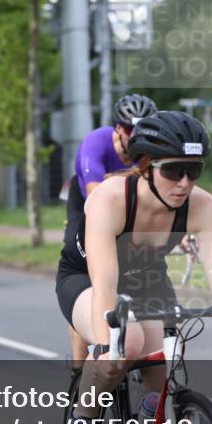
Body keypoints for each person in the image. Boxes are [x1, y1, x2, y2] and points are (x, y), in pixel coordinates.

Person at [55, 111, 212, 424]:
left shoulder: (202, 205)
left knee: (170, 374)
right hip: (86, 280)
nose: (185, 183)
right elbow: (105, 281)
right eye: (174, 170)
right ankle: (84, 422)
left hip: (147, 278)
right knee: (127, 343)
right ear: (145, 167)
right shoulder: (110, 199)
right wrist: (111, 347)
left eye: (195, 170)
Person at [64, 94, 157, 365]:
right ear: (118, 129)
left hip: (126, 205)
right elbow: (96, 198)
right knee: (88, 271)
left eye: (143, 129)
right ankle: (79, 366)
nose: (137, 135)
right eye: (131, 130)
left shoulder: (149, 152)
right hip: (86, 204)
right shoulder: (97, 141)